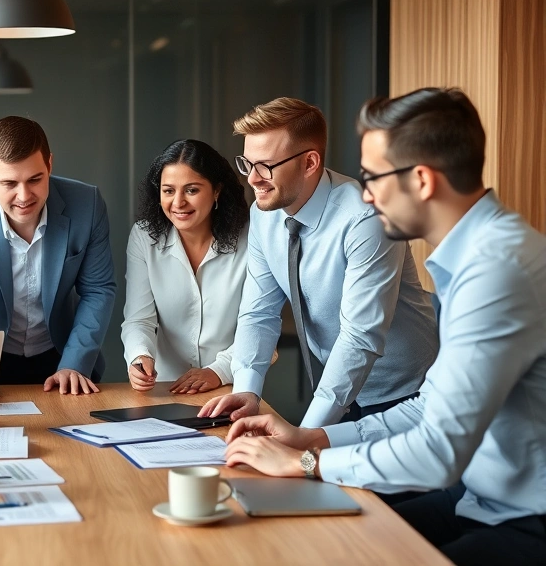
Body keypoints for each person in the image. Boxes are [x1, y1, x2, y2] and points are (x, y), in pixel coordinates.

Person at [222, 87, 546, 565]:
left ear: (421, 180)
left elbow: (437, 451)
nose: (367, 194)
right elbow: (427, 409)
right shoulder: (473, 259)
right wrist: (312, 440)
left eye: (374, 177)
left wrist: (306, 462)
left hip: (525, 518)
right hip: (477, 498)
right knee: (320, 542)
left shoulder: (497, 270)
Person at [200, 97, 439, 428]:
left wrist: (306, 434)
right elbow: (259, 313)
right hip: (338, 392)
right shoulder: (263, 215)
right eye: (247, 164)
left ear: (310, 162)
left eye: (265, 166)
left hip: (407, 394)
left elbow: (360, 337)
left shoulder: (365, 218)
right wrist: (247, 390)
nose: (252, 179)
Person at [0, 116, 116, 395]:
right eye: (9, 183)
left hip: (62, 357)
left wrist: (74, 364)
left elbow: (98, 290)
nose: (24, 196)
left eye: (35, 179)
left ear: (49, 164)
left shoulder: (87, 205)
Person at [122, 139, 250, 393]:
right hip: (166, 389)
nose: (178, 202)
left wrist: (218, 371)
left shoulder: (251, 239)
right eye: (168, 191)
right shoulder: (144, 237)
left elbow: (259, 326)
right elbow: (139, 319)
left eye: (191, 190)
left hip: (232, 386)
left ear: (216, 191)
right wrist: (139, 355)